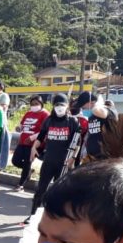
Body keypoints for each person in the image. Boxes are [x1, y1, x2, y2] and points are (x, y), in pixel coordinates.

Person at [23, 93, 80, 225]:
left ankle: (57, 219)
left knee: (60, 191)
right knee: (40, 189)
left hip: (64, 162)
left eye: (62, 105)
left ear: (67, 106)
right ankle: (33, 215)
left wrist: (72, 158)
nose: (59, 107)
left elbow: (77, 142)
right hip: (49, 160)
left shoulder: (72, 121)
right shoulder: (49, 120)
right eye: (57, 105)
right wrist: (33, 147)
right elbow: (41, 136)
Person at [12, 96, 49, 191]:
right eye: (32, 104)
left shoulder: (45, 114)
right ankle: (28, 171)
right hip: (22, 142)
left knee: (27, 163)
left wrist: (32, 137)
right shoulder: (28, 113)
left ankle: (21, 184)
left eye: (36, 104)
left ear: (41, 104)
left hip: (34, 144)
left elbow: (44, 131)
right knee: (15, 161)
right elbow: (22, 124)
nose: (34, 106)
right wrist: (19, 128)